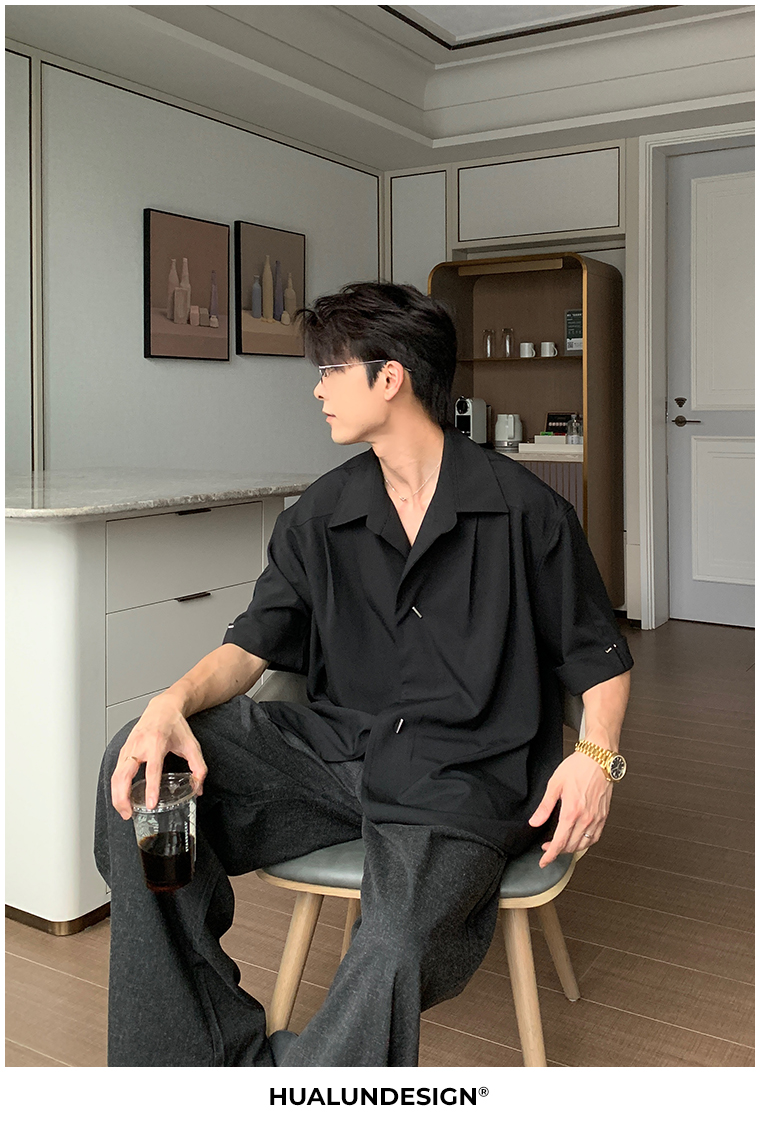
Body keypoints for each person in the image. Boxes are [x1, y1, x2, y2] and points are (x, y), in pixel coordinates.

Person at [95, 281, 633, 1067]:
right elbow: (253, 644)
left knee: (395, 947)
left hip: (465, 779)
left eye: (330, 370)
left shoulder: (528, 514)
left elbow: (597, 657)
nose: (316, 390)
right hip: (334, 755)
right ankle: (188, 1059)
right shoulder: (317, 515)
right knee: (146, 771)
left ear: (390, 378)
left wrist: (596, 757)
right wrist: (169, 702)